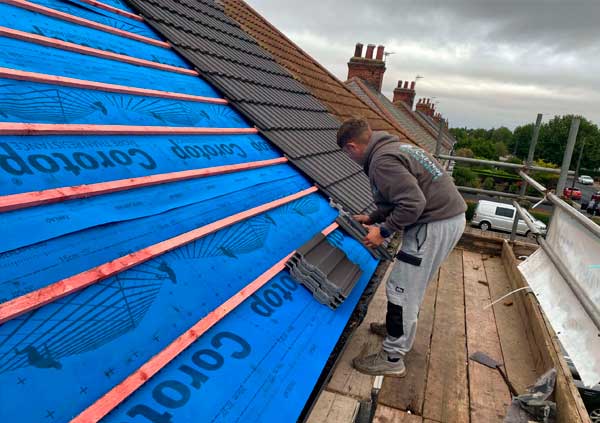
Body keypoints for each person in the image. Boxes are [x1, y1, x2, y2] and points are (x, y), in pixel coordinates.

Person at [336, 117, 467, 377]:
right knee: (411, 285)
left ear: (351, 147)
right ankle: (396, 327)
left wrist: (382, 232)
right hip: (448, 219)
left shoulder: (382, 162)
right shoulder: (395, 148)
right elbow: (398, 196)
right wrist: (373, 218)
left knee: (400, 289)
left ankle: (392, 357)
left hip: (433, 225)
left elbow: (412, 204)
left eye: (346, 154)